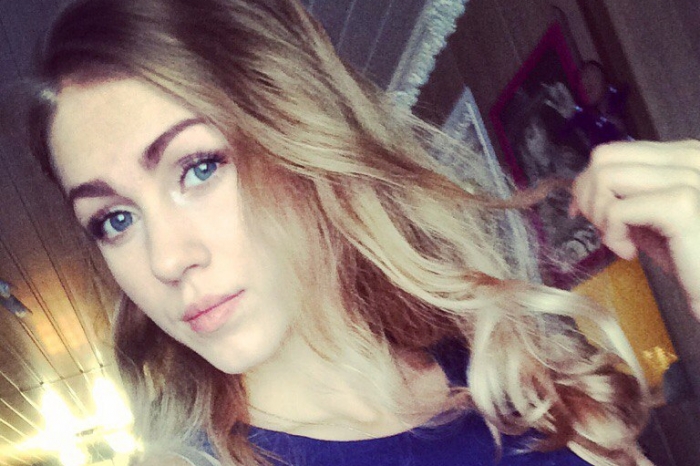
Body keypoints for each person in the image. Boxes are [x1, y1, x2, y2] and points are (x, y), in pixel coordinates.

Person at [20, 0, 684, 464]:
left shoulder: (508, 368)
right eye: (114, 220)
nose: (167, 258)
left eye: (199, 167)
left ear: (301, 137)